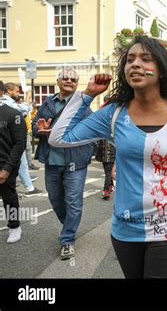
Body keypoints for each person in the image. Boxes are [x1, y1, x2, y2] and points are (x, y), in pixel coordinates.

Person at [48, 36, 167, 278]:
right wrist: (86, 95)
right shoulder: (114, 113)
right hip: (126, 230)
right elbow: (59, 138)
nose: (134, 64)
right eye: (130, 59)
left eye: (146, 59)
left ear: (162, 69)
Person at [32, 68, 95, 260]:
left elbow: (89, 131)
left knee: (73, 202)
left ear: (77, 84)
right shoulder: (48, 103)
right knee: (55, 200)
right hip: (52, 160)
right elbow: (36, 126)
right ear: (58, 81)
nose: (69, 81)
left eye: (73, 79)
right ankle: (69, 226)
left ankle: (67, 240)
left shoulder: (82, 105)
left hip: (75, 161)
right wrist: (39, 129)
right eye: (65, 78)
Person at [0, 83, 42, 195]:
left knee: (21, 162)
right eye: (17, 91)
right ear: (9, 91)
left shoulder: (10, 102)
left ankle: (28, 187)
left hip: (12, 138)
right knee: (19, 161)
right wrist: (28, 95)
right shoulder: (7, 103)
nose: (18, 94)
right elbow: (24, 109)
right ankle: (28, 187)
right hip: (11, 139)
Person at [0, 80, 27, 243]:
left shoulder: (12, 114)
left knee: (8, 196)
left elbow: (20, 143)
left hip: (5, 164)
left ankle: (14, 226)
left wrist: (7, 168)